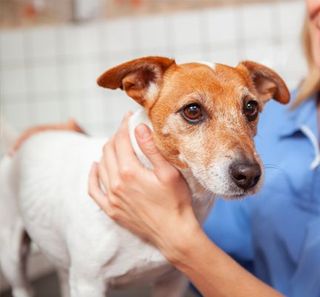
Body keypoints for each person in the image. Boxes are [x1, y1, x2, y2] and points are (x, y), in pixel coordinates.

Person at [87, 0, 320, 296]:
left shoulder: (266, 121)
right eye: (194, 111)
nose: (248, 166)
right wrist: (78, 148)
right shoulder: (280, 117)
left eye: (248, 109)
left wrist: (178, 239)